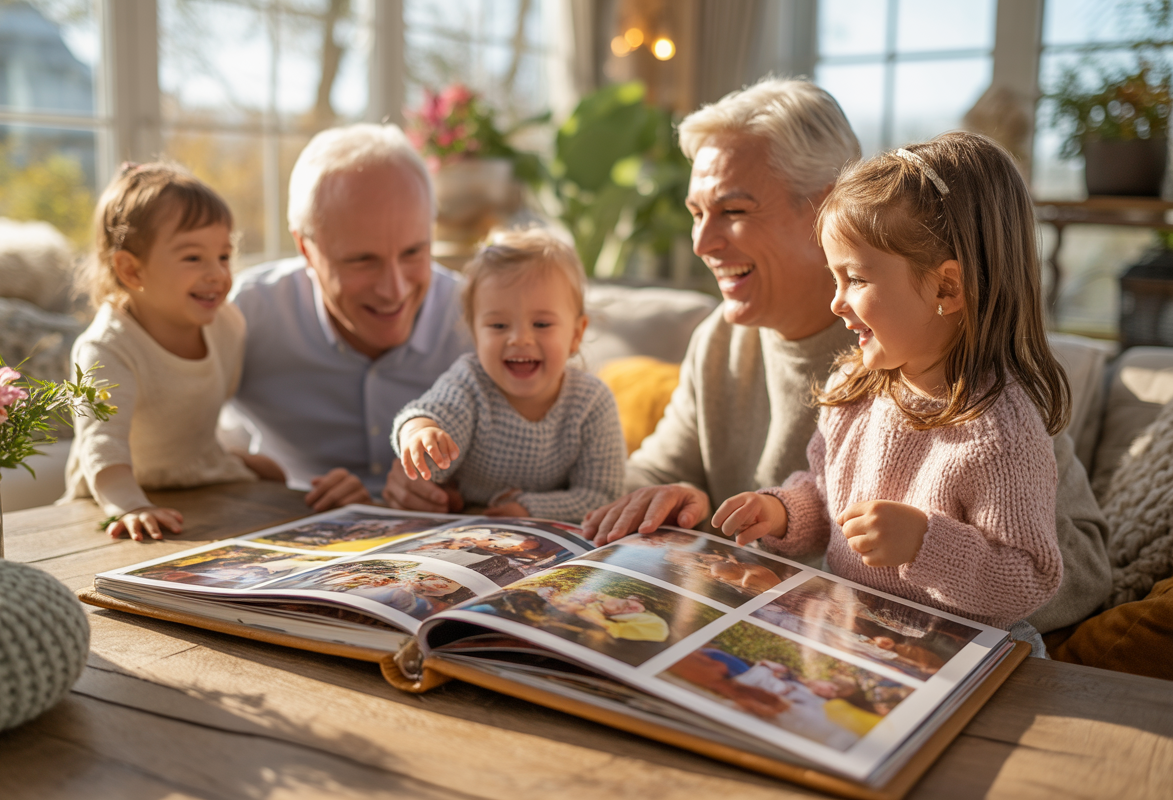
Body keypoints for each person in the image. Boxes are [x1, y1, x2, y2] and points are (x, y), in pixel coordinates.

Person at [583, 77, 1110, 635]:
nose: (701, 243)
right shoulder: (725, 338)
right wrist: (674, 502)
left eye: (732, 209)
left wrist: (921, 552)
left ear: (828, 203)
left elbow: (1075, 567)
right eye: (696, 212)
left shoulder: (950, 361)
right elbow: (665, 472)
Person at [712, 132, 1065, 634]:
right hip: (863, 631)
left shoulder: (999, 433)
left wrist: (926, 543)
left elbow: (1030, 578)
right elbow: (827, 495)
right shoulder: (855, 387)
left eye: (855, 279)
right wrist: (782, 512)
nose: (837, 302)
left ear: (948, 287)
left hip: (965, 652)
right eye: (835, 279)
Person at [228, 123, 472, 511]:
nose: (394, 290)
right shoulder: (249, 313)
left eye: (413, 252)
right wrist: (264, 474)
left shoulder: (478, 318)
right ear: (306, 248)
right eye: (362, 260)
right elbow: (168, 435)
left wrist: (461, 488)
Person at [62, 162, 281, 541]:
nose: (217, 273)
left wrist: (226, 459)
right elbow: (102, 446)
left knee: (277, 477)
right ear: (132, 271)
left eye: (224, 256)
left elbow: (194, 418)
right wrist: (130, 506)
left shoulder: (228, 326)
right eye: (193, 258)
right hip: (114, 495)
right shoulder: (106, 348)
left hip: (196, 482)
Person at [392, 228, 626, 522]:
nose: (519, 339)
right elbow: (433, 414)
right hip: (466, 526)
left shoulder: (592, 402)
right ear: (476, 336)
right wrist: (418, 432)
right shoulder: (470, 382)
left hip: (550, 536)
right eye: (498, 326)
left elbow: (602, 496)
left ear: (576, 334)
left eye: (541, 324)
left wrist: (528, 509)